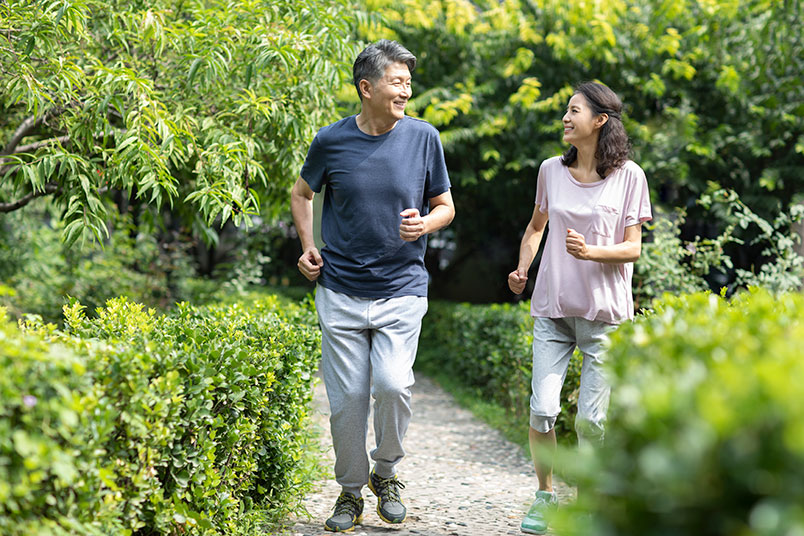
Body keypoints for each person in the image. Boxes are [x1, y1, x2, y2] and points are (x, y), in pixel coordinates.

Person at [290, 39, 455, 532]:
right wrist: (307, 246)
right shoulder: (330, 141)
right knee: (347, 402)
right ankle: (348, 492)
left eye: (408, 81)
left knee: (393, 384)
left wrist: (425, 225)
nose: (406, 89)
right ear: (367, 87)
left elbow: (446, 206)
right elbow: (301, 195)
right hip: (339, 289)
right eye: (397, 81)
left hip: (402, 288)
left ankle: (386, 473)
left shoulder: (424, 137)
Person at [507, 82, 652, 535]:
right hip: (552, 309)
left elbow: (633, 250)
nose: (566, 119)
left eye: (574, 111)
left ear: (600, 120)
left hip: (605, 315)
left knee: (592, 421)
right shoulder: (551, 170)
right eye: (566, 111)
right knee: (542, 409)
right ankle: (545, 496)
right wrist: (522, 267)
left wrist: (592, 253)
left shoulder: (630, 176)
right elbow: (536, 227)